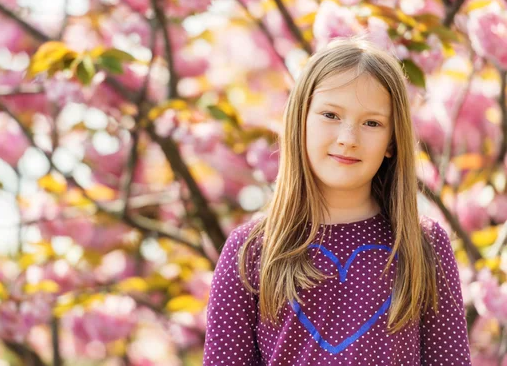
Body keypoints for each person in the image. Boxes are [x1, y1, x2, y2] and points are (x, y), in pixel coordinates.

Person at [202, 37, 472, 365]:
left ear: (392, 141)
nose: (348, 138)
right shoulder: (251, 250)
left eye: (372, 123)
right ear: (300, 120)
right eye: (331, 115)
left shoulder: (423, 246)